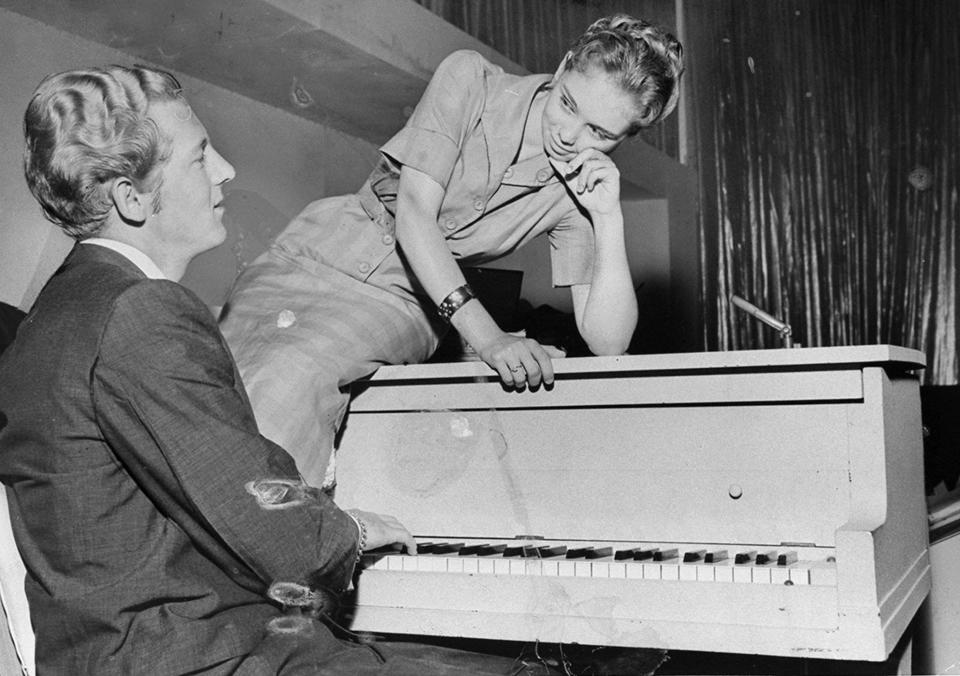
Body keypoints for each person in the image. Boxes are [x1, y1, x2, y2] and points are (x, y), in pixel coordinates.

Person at [0, 65, 551, 675]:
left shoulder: (56, 311)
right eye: (199, 158)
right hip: (197, 657)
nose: (226, 172)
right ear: (132, 200)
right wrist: (354, 531)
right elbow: (272, 526)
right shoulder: (142, 311)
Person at [220, 14, 685, 488]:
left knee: (283, 392)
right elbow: (415, 213)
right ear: (564, 65)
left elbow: (609, 342)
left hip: (404, 298)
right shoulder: (471, 80)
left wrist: (609, 218)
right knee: (210, 388)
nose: (570, 135)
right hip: (315, 247)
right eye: (568, 104)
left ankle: (273, 538)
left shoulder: (577, 188)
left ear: (626, 138)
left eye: (600, 134)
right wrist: (490, 338)